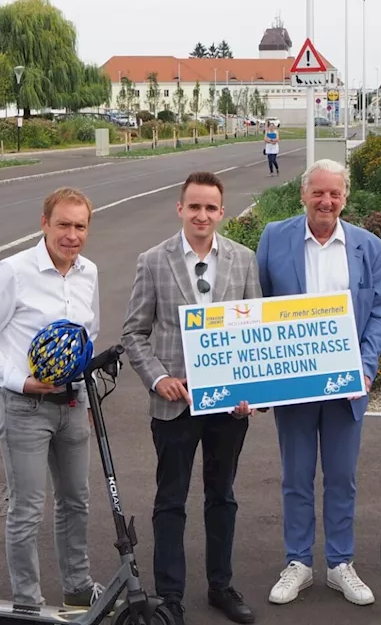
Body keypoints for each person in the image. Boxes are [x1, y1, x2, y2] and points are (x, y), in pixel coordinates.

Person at [254, 158, 381, 607]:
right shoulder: (275, 238)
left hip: (345, 386)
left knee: (341, 477)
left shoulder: (369, 248)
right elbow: (256, 305)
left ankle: (339, 563)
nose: (326, 201)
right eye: (318, 192)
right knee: (296, 476)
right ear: (303, 195)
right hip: (294, 384)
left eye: (334, 194)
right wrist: (257, 376)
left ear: (345, 197)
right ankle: (298, 562)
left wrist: (366, 366)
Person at [121, 171, 259, 625]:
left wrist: (250, 392)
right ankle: (170, 596)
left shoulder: (243, 260)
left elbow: (254, 335)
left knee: (222, 497)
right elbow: (135, 333)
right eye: (194, 206)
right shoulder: (153, 261)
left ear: (222, 212)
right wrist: (158, 378)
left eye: (211, 208)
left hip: (226, 407)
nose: (202, 215)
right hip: (174, 403)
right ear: (180, 209)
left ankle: (221, 586)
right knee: (171, 500)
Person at [0, 186, 104, 609]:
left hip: (73, 405)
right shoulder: (14, 271)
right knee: (26, 509)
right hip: (25, 407)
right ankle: (27, 599)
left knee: (76, 501)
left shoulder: (88, 272)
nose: (71, 235)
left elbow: (86, 335)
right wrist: (17, 380)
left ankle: (78, 587)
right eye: (63, 224)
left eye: (80, 226)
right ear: (44, 224)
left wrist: (85, 388)